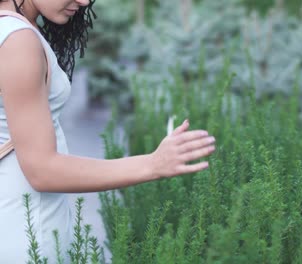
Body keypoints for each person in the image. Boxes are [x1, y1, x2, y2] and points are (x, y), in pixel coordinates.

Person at [0, 0, 216, 262]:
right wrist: (153, 164)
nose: (83, 2)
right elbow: (41, 170)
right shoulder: (18, 40)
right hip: (28, 231)